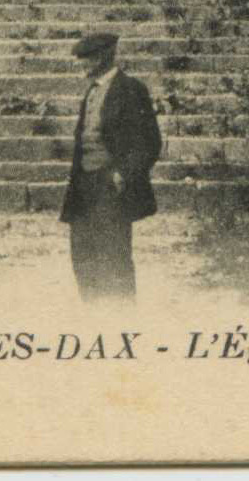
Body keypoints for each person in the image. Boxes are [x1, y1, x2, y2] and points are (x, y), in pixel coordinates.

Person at [59, 28, 162, 304]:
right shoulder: (91, 92)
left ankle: (120, 319)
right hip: (84, 186)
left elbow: (149, 143)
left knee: (114, 256)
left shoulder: (131, 90)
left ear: (105, 57)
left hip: (111, 187)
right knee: (83, 254)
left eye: (87, 58)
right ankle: (94, 315)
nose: (81, 63)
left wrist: (123, 174)